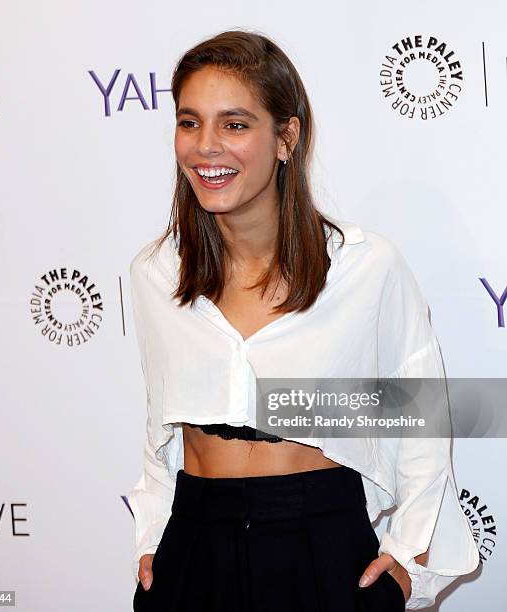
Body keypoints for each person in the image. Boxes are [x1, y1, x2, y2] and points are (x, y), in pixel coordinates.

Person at [127, 29, 479, 612]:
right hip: (193, 543)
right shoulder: (156, 274)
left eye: (235, 125)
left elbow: (421, 416)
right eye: (190, 123)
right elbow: (159, 422)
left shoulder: (365, 270)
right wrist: (151, 535)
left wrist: (410, 560)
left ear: (286, 137)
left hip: (321, 540)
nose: (206, 147)